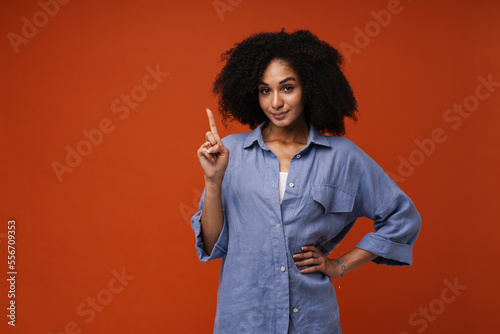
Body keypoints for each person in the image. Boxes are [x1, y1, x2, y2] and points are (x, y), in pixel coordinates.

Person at [191, 29, 421, 334]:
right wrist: (213, 181)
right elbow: (212, 245)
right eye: (264, 90)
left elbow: (401, 217)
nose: (275, 102)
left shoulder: (342, 157)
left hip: (310, 321)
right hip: (244, 320)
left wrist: (339, 265)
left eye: (287, 88)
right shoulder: (231, 153)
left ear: (309, 88)